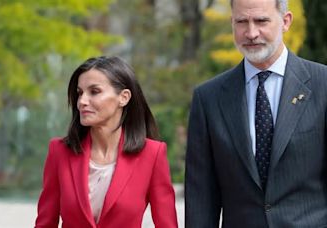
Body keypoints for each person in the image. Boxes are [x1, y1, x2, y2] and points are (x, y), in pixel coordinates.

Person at [185, 0, 327, 227]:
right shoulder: (208, 98)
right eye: (242, 22)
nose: (251, 33)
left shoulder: (323, 85)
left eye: (261, 21)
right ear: (232, 23)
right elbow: (201, 195)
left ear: (285, 21)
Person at [35, 56, 178, 228]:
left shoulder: (152, 154)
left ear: (123, 98)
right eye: (80, 93)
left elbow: (167, 225)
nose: (82, 101)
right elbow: (45, 223)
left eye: (94, 92)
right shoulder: (59, 152)